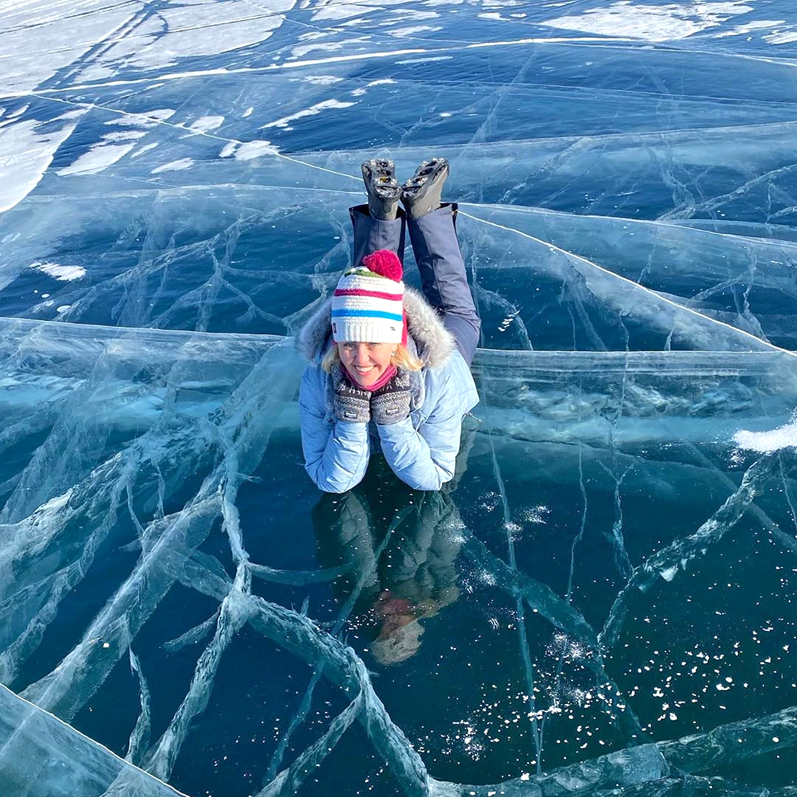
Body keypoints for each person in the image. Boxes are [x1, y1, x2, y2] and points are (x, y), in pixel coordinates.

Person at [297, 157, 480, 493]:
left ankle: (403, 211)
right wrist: (351, 420)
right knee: (372, 286)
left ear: (396, 340)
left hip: (428, 355)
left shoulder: (440, 376)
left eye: (372, 344)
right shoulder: (319, 376)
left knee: (455, 314)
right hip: (386, 330)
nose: (360, 358)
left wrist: (393, 421)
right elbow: (332, 482)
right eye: (348, 344)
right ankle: (414, 210)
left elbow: (436, 476)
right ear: (335, 342)